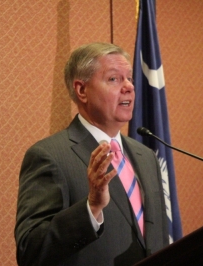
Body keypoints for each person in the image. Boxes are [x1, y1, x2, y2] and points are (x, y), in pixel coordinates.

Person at [15, 42, 169, 266]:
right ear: (82, 90)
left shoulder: (146, 157)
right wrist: (91, 207)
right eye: (114, 79)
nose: (128, 87)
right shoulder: (49, 156)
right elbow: (30, 250)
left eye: (130, 78)